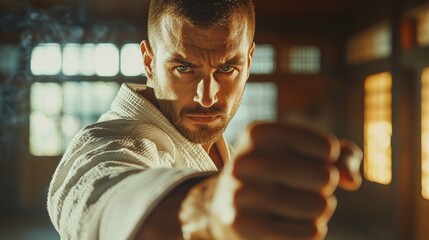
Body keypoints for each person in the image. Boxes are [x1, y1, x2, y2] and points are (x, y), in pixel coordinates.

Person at [47, 0, 363, 239]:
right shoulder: (109, 141)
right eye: (184, 68)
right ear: (149, 62)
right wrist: (203, 210)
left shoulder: (223, 151)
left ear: (249, 61)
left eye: (227, 69)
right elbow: (97, 196)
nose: (207, 96)